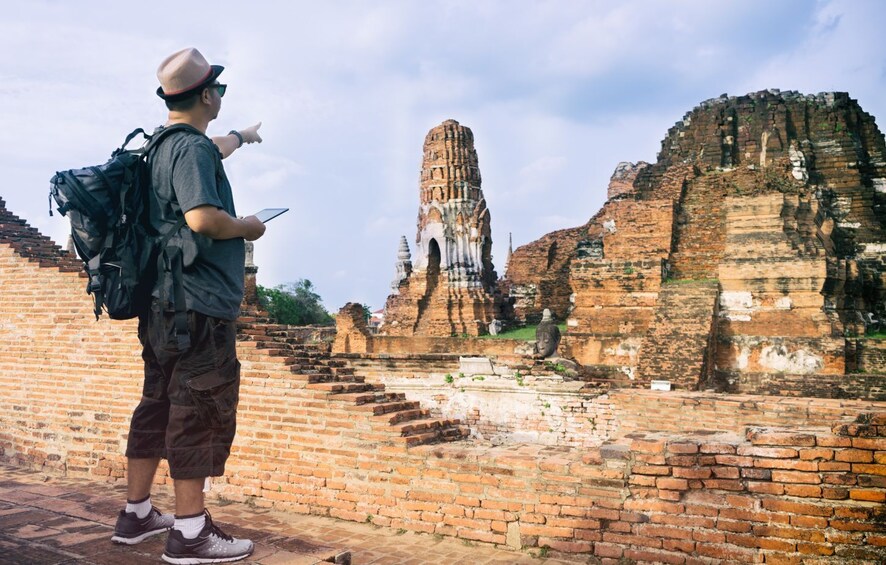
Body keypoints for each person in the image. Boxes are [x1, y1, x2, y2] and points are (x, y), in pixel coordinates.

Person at [110, 47, 266, 564]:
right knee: (197, 407)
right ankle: (191, 533)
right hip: (197, 305)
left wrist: (242, 136)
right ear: (205, 95)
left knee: (156, 402)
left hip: (161, 304)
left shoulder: (162, 146)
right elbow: (202, 218)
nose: (220, 96)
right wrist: (248, 227)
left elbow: (211, 150)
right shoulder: (192, 152)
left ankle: (136, 516)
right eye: (218, 89)